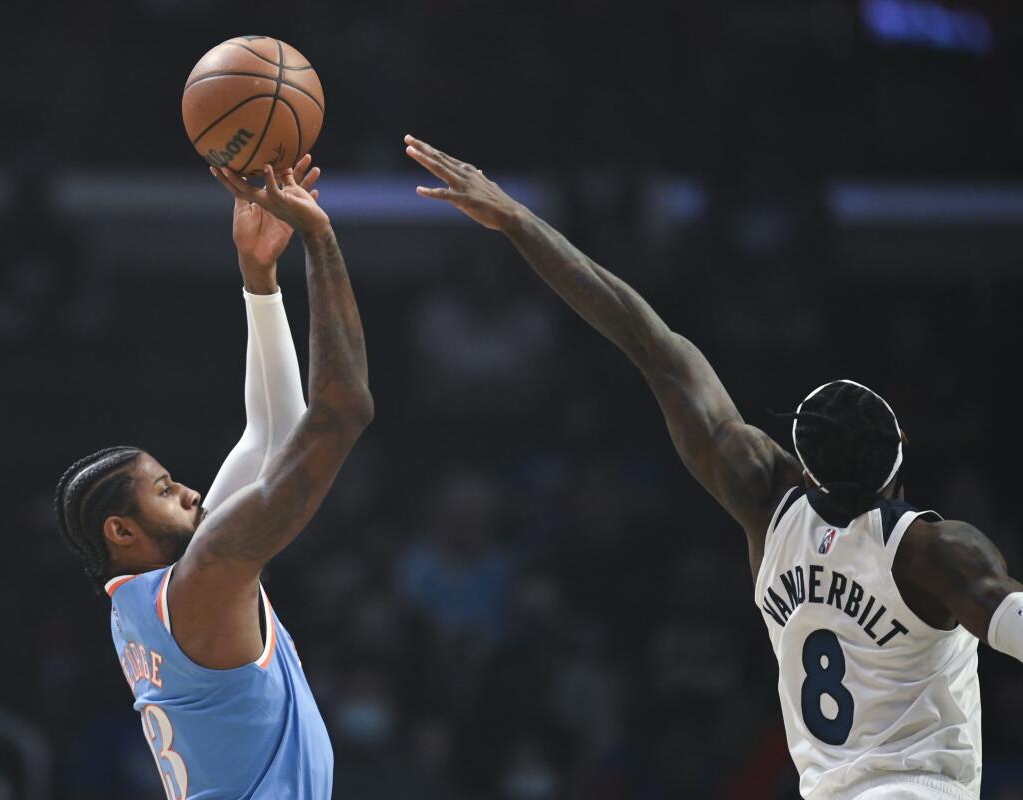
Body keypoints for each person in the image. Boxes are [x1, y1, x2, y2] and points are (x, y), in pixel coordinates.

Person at [404, 134, 1023, 800]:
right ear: (900, 453)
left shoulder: (764, 501)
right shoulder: (937, 552)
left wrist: (518, 220)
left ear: (806, 465)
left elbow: (646, 341)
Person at [53, 156, 373, 800]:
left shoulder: (147, 598)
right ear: (122, 528)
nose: (192, 491)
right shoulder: (201, 580)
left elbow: (270, 435)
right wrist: (320, 238)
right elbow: (340, 412)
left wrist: (260, 278)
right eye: (166, 490)